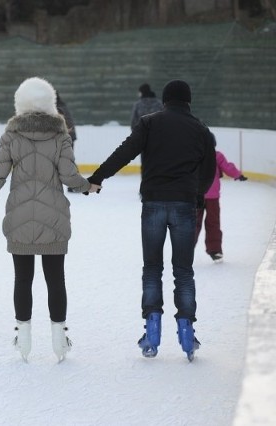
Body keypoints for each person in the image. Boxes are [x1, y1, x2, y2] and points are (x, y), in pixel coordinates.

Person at [85, 80, 216, 361]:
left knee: (152, 268)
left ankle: (152, 331)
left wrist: (97, 177)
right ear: (188, 101)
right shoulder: (201, 129)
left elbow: (124, 152)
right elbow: (208, 171)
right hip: (183, 204)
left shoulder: (149, 123)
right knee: (183, 271)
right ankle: (186, 332)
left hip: (154, 202)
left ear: (166, 100)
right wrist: (197, 196)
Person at [0, 77, 99, 362]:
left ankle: (24, 337)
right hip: (54, 217)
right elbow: (69, 177)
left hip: (18, 216)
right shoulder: (61, 135)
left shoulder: (10, 136)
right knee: (56, 279)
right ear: (49, 104)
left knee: (23, 279)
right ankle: (58, 339)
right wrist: (88, 186)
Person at [195, 144, 247, 263]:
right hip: (211, 196)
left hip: (195, 195)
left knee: (192, 223)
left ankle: (184, 250)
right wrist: (238, 175)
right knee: (213, 222)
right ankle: (215, 251)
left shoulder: (193, 155)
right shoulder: (217, 155)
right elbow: (228, 167)